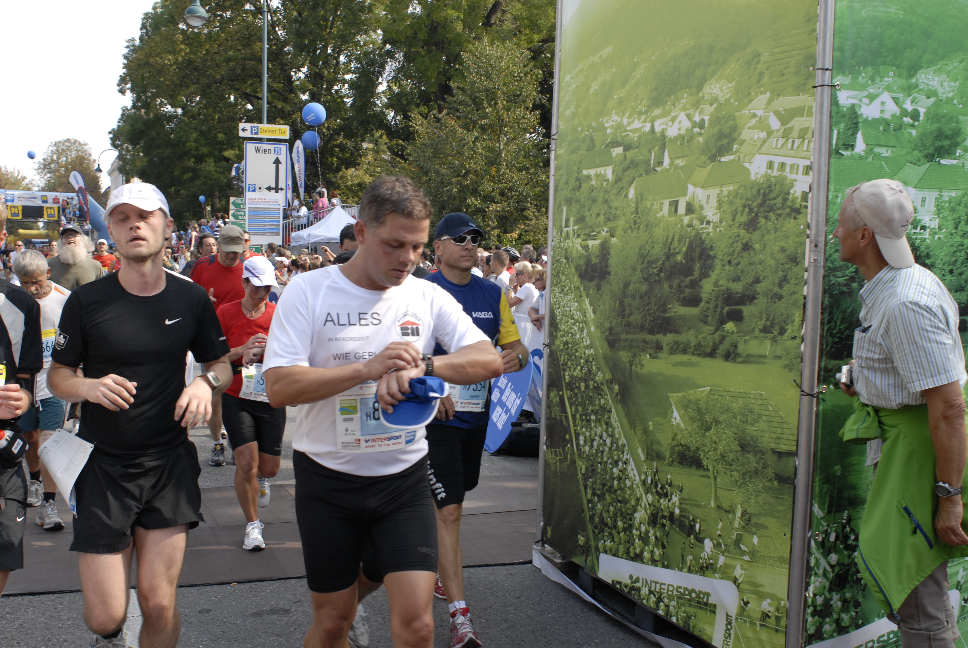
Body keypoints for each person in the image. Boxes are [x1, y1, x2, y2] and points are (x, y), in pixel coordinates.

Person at [263, 176, 503, 648]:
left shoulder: (425, 295)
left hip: (403, 480)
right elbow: (279, 388)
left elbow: (488, 359)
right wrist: (366, 370)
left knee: (418, 626)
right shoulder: (309, 290)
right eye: (395, 244)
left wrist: (423, 366)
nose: (408, 258)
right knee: (333, 623)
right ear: (362, 232)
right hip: (328, 479)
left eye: (417, 246)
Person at [47, 182, 232, 647]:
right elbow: (58, 377)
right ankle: (110, 636)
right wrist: (88, 386)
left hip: (168, 463)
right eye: (123, 217)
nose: (134, 225)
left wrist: (203, 383)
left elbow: (222, 366)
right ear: (109, 229)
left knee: (159, 603)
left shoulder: (190, 298)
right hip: (102, 466)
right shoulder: (86, 301)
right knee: (105, 616)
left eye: (145, 216)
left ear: (167, 227)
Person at [834, 179, 968, 648]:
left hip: (918, 459)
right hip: (908, 450)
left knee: (916, 593)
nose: (834, 233)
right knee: (919, 589)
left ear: (865, 235)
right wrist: (862, 377)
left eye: (840, 225)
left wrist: (949, 497)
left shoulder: (905, 303)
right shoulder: (899, 285)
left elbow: (949, 408)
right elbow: (908, 371)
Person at [423, 212, 530, 647]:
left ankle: (434, 558)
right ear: (439, 247)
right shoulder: (423, 289)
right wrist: (431, 390)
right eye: (460, 238)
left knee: (456, 497)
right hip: (436, 418)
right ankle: (460, 617)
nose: (470, 244)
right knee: (448, 510)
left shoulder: (492, 293)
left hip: (475, 417)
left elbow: (517, 347)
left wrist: (515, 358)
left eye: (475, 239)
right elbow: (403, 351)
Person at [216, 256, 285, 551]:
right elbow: (213, 357)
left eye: (268, 287)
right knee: (246, 462)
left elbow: (292, 355)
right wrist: (241, 350)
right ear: (244, 282)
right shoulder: (225, 312)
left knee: (269, 468)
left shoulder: (278, 314)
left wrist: (270, 351)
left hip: (270, 396)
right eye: (257, 286)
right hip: (235, 396)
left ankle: (263, 479)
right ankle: (253, 525)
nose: (263, 293)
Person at [0, 201, 45, 597]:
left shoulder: (20, 304)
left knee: (4, 550)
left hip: (2, 452)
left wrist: (23, 402)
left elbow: (27, 380)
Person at [12, 250, 71, 531]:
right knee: (29, 438)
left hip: (53, 383)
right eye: (25, 283)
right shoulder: (11, 300)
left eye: (36, 281)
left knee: (49, 442)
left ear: (48, 273)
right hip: (22, 386)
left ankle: (49, 505)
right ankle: (34, 480)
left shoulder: (65, 299)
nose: (31, 289)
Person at [191, 224, 246, 467]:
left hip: (240, 340)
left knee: (240, 393)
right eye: (229, 250)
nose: (233, 255)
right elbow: (188, 298)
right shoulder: (202, 266)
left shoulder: (247, 267)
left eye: (237, 250)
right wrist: (204, 301)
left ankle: (236, 439)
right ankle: (217, 443)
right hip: (211, 340)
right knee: (215, 392)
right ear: (219, 246)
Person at [47, 225, 104, 290]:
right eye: (66, 235)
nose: (70, 237)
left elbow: (102, 291)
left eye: (74, 234)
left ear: (82, 239)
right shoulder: (49, 265)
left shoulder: (95, 265)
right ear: (61, 241)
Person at [529, 267, 546, 332]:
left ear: (545, 280)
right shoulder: (542, 293)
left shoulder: (551, 294)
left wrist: (537, 317)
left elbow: (552, 315)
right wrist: (534, 317)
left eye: (537, 279)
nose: (534, 281)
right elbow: (532, 309)